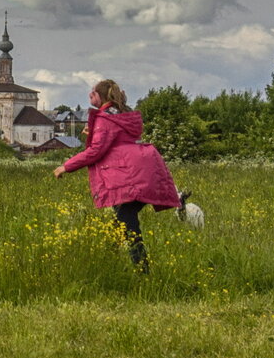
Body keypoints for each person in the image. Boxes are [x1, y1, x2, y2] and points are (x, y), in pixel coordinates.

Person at [54, 79, 185, 272]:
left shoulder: (104, 119)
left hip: (129, 174)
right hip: (142, 169)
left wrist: (66, 166)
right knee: (121, 219)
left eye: (93, 92)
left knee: (127, 221)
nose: (90, 95)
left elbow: (96, 151)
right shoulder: (120, 113)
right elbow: (115, 140)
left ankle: (143, 271)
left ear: (101, 96)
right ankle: (110, 261)